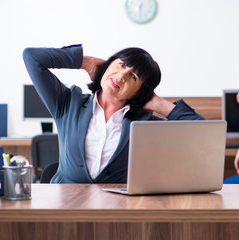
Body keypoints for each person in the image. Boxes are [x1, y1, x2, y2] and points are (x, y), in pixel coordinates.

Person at [23, 44, 205, 183]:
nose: (122, 75)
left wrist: (158, 103)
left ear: (140, 91)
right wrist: (85, 62)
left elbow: (203, 133)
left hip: (115, 211)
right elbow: (32, 57)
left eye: (134, 77)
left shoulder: (145, 124)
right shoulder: (68, 103)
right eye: (121, 65)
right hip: (65, 205)